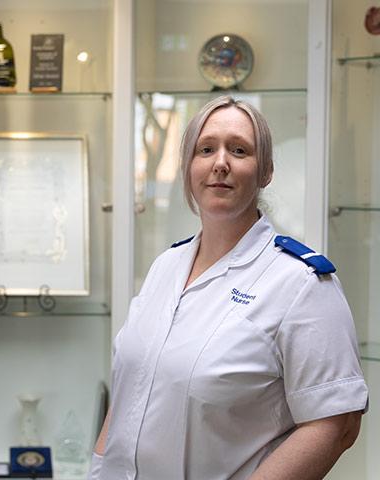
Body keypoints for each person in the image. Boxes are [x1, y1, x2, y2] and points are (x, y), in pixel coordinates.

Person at [89, 96, 368, 479]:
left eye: (239, 150)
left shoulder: (302, 284)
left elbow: (336, 425)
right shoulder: (165, 267)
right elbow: (129, 388)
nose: (220, 163)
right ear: (189, 166)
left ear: (265, 171)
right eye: (206, 149)